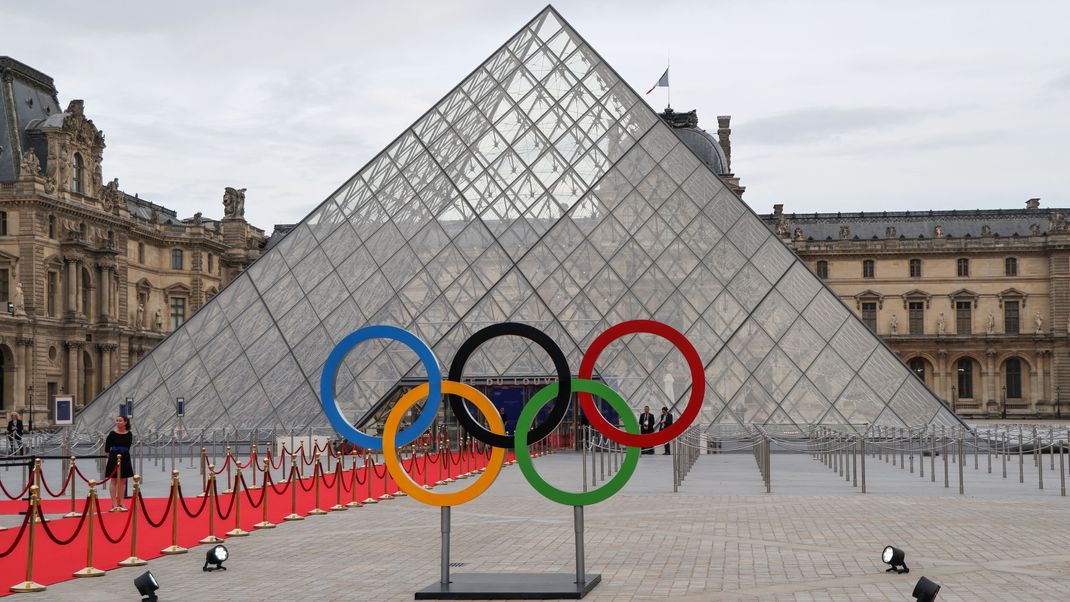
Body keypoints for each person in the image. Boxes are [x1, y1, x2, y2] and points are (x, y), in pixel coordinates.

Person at [104, 416, 134, 512]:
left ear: (125, 422)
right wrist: (112, 457)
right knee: (113, 480)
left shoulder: (129, 434)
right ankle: (114, 503)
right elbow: (107, 448)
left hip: (125, 457)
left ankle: (121, 502)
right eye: (117, 420)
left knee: (123, 481)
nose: (118, 422)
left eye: (120, 421)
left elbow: (128, 446)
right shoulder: (112, 434)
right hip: (114, 457)